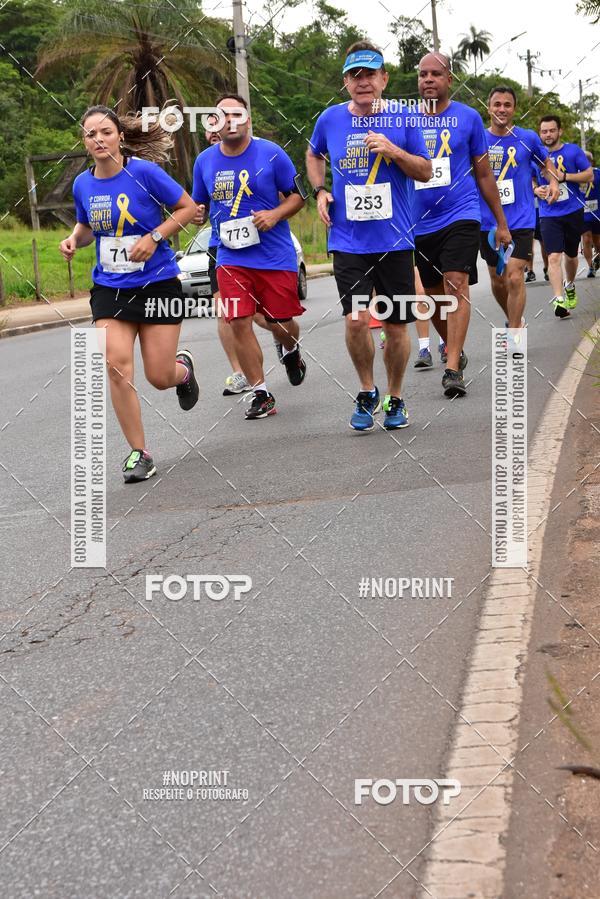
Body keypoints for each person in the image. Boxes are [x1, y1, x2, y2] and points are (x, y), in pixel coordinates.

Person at [59, 105, 198, 484]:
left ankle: (182, 372)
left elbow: (187, 208)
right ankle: (140, 452)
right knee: (116, 365)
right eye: (91, 134)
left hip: (157, 282)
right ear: (84, 142)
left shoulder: (144, 173)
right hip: (111, 287)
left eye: (105, 131)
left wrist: (154, 238)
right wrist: (74, 239)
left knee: (158, 375)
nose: (98, 139)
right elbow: (87, 226)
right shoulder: (83, 184)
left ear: (120, 136)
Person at [306, 41, 431, 430]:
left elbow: (425, 171)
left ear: (384, 78)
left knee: (395, 326)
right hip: (348, 241)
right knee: (357, 320)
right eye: (355, 75)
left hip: (394, 241)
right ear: (345, 82)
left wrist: (394, 150)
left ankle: (395, 396)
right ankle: (366, 389)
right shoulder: (329, 119)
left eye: (370, 74)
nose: (363, 82)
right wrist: (320, 190)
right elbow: (313, 154)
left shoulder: (405, 118)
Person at [192, 94, 307, 420]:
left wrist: (274, 215)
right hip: (230, 255)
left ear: (248, 118)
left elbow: (299, 197)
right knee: (237, 319)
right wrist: (198, 213)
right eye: (221, 115)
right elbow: (200, 203)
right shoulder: (204, 161)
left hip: (273, 255)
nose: (229, 120)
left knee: (280, 324)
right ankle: (261, 392)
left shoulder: (272, 154)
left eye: (235, 114)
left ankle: (291, 351)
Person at [412, 53, 511, 398]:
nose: (428, 79)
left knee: (456, 283)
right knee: (434, 297)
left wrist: (500, 222)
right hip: (418, 221)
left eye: (435, 74)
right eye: (423, 74)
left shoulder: (468, 118)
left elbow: (484, 174)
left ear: (449, 79)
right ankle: (450, 344)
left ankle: (452, 367)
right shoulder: (406, 119)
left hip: (462, 213)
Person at [479, 86, 559, 328]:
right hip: (488, 220)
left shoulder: (527, 138)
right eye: (497, 104)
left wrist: (554, 181)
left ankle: (514, 334)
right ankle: (514, 319)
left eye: (507, 105)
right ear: (488, 107)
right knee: (497, 279)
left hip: (521, 219)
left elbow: (546, 164)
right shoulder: (479, 139)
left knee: (514, 276)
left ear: (514, 109)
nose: (502, 109)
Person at [535, 115, 593, 317]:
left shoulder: (573, 151)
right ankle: (559, 299)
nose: (548, 134)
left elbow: (588, 175)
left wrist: (564, 177)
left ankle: (569, 285)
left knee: (570, 255)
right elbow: (529, 179)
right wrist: (535, 190)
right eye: (544, 131)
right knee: (553, 256)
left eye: (551, 130)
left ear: (559, 131)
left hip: (572, 211)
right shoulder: (535, 154)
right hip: (548, 213)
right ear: (540, 133)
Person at [580, 151, 600, 277]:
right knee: (586, 239)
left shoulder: (598, 173)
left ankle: (597, 258)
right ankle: (590, 267)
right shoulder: (576, 175)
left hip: (597, 212)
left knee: (598, 242)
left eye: (587, 160)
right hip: (583, 213)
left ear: (591, 162)